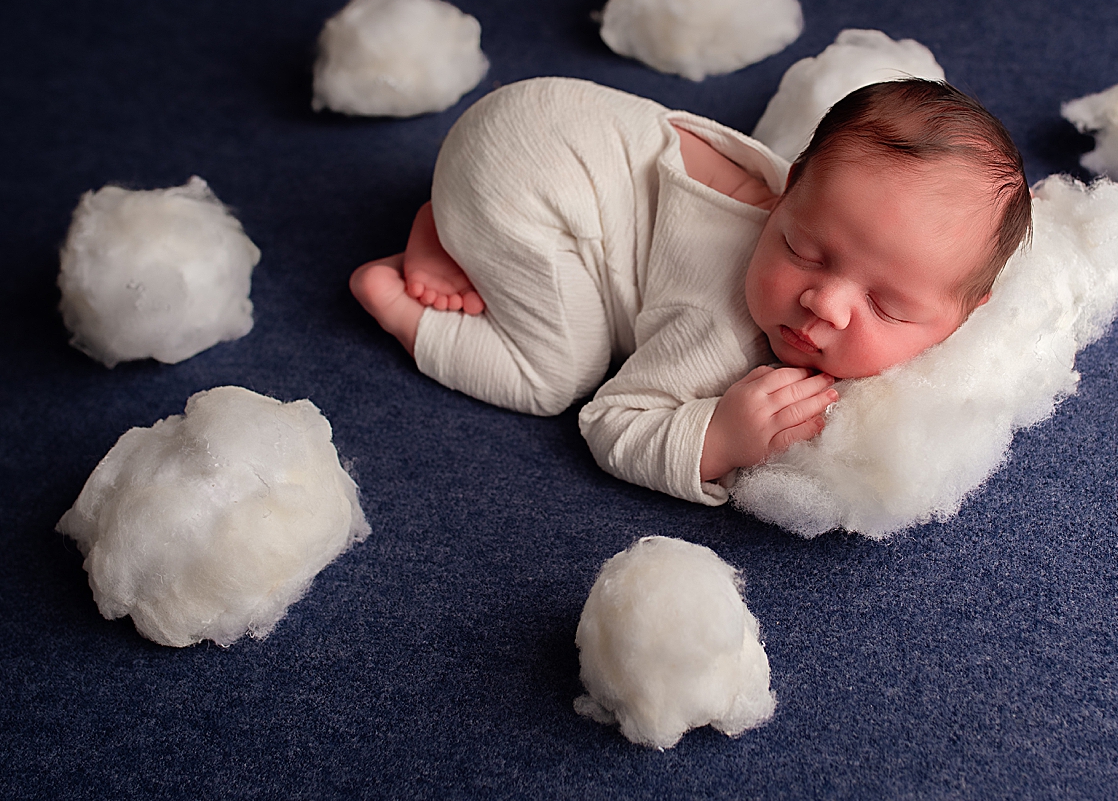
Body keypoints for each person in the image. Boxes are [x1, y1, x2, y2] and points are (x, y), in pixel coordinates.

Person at [348, 77, 1031, 506]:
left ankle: (449, 222)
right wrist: (719, 437)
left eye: (886, 305)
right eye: (803, 249)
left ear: (968, 315)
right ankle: (396, 291)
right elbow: (611, 423)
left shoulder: (827, 202)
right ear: (789, 191)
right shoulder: (723, 322)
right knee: (554, 378)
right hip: (522, 184)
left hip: (541, 116)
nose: (823, 303)